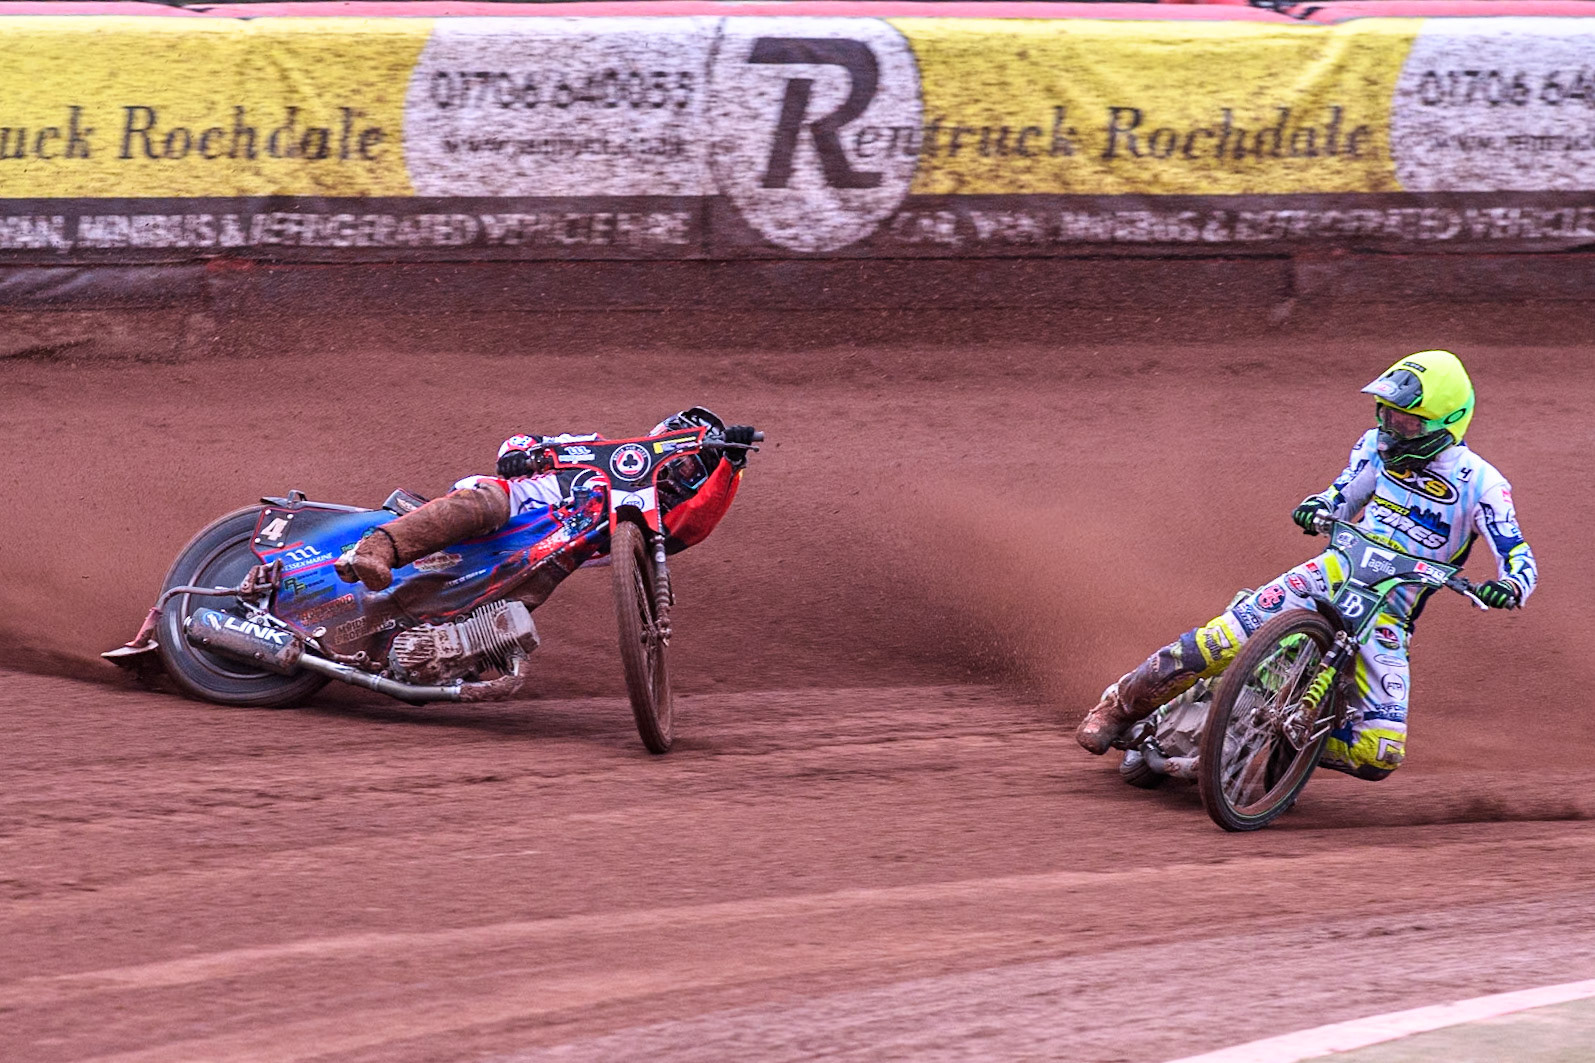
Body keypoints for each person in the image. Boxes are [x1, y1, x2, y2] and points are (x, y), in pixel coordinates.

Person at [1074, 350, 1537, 780]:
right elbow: (1341, 494)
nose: (1392, 429)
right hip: (1330, 575)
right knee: (1219, 641)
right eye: (1388, 415)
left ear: (1449, 421)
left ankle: (1277, 740)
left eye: (1407, 423)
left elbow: (1518, 553)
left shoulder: (1483, 485)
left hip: (1389, 615)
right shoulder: (1375, 448)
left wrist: (1511, 585)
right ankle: (1119, 707)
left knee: (1379, 754)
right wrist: (1316, 506)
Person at [335, 408, 757, 593]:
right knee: (486, 504)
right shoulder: (600, 448)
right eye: (673, 458)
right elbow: (523, 443)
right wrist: (521, 456)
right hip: (507, 506)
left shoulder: (653, 524)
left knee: (532, 591)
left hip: (538, 556)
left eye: (687, 471)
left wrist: (731, 466)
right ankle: (377, 548)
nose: (673, 473)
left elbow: (699, 522)